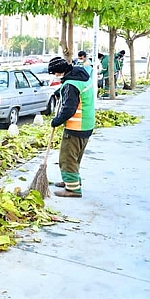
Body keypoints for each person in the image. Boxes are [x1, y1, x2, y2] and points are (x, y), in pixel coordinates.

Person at [47, 57, 96, 198]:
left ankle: (73, 190)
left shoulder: (71, 84)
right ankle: (70, 181)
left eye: (55, 73)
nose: (55, 76)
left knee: (67, 158)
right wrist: (59, 92)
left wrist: (56, 121)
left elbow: (69, 109)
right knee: (75, 157)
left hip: (76, 126)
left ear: (60, 71)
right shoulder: (80, 75)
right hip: (87, 124)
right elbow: (70, 90)